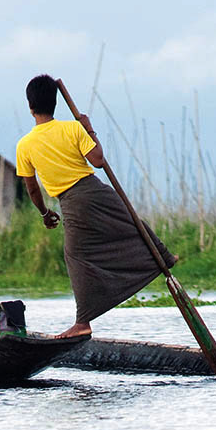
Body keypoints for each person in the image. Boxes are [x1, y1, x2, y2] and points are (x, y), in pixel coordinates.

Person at [15, 74, 177, 338]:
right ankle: (165, 258)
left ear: (30, 107)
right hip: (98, 192)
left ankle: (83, 323)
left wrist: (45, 213)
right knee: (130, 224)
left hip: (73, 202)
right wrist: (88, 128)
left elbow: (32, 188)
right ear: (55, 104)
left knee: (76, 257)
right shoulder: (73, 128)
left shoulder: (25, 145)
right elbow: (98, 160)